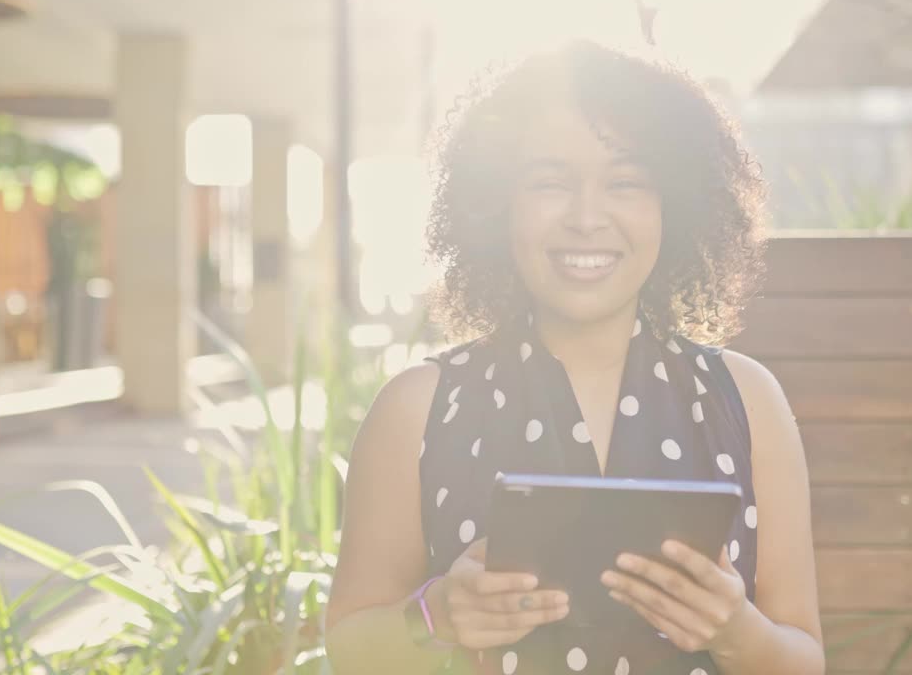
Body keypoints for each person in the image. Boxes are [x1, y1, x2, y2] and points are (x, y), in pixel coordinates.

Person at [325, 40, 823, 675]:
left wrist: (735, 631)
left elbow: (804, 659)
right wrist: (438, 616)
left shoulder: (746, 399)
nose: (588, 218)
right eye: (550, 182)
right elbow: (347, 650)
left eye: (626, 181)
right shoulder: (416, 408)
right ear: (496, 204)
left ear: (674, 205)